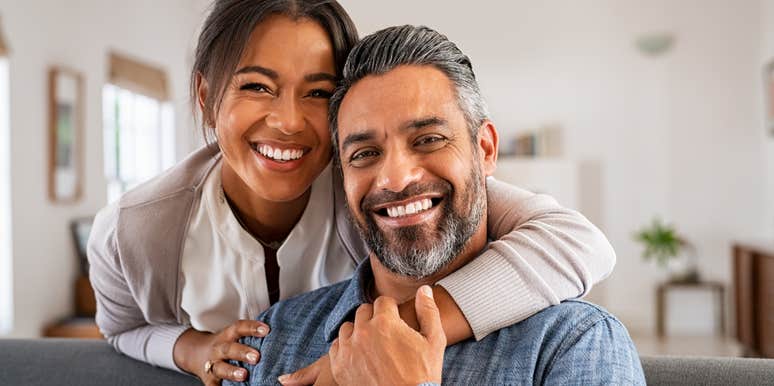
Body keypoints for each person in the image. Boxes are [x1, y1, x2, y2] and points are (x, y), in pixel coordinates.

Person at [87, 1, 616, 385]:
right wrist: (190, 348)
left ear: (484, 148)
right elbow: (122, 329)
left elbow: (577, 242)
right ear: (206, 97)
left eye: (318, 92)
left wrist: (397, 336)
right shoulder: (140, 228)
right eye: (256, 86)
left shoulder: (569, 345)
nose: (289, 121)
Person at [229, 24, 644, 386]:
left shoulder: (574, 343)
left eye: (428, 140)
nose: (395, 178)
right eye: (365, 153)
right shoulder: (270, 341)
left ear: (484, 150)